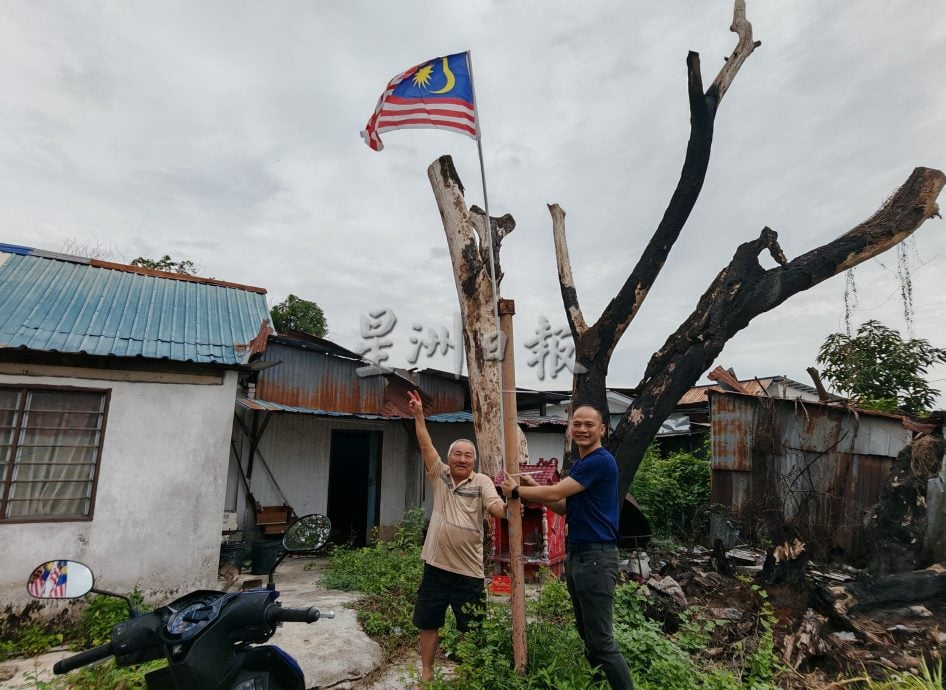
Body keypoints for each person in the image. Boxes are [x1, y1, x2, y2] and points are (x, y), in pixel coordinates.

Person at [502, 404, 633, 690]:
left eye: (589, 424)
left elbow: (555, 491)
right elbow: (562, 506)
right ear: (570, 428)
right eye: (577, 424)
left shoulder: (600, 460)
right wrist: (532, 485)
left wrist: (517, 491)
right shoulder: (582, 464)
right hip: (581, 557)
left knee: (602, 641)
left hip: (597, 557)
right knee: (588, 635)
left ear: (602, 430)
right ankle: (598, 684)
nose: (582, 429)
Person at [407, 389, 507, 684]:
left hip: (469, 572)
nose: (462, 459)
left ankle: (473, 672)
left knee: (473, 627)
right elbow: (426, 446)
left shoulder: (483, 482)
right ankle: (427, 671)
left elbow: (494, 506)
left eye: (468, 455)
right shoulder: (440, 476)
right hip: (436, 567)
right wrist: (419, 415)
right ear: (449, 458)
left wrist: (510, 508)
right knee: (428, 622)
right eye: (457, 454)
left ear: (474, 461)